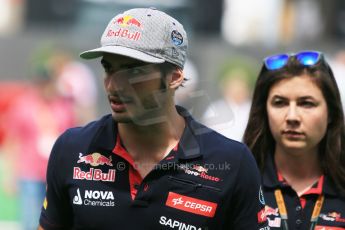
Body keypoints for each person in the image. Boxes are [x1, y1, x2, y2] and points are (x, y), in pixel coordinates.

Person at [38, 7, 268, 230]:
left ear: (174, 78)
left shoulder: (233, 162)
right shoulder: (72, 148)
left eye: (134, 71)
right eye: (109, 68)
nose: (114, 85)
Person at [243, 50, 345, 229]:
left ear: (331, 113)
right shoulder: (240, 183)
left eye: (307, 103)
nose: (292, 117)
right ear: (264, 111)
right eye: (279, 103)